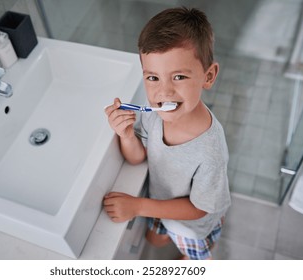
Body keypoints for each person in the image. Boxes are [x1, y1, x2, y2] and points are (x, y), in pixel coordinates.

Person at [103, 7, 231, 260]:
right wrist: (126, 134)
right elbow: (138, 158)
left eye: (179, 76)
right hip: (160, 203)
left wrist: (138, 206)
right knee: (154, 238)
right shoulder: (155, 114)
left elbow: (198, 209)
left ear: (208, 76)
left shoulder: (210, 151)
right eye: (153, 77)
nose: (164, 92)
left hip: (193, 225)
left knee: (195, 255)